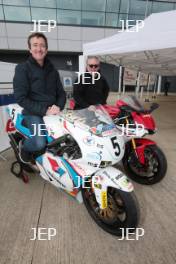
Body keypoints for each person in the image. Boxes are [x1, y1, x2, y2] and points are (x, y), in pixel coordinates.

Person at [13, 32, 66, 163]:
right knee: (39, 142)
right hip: (33, 114)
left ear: (46, 50)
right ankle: (24, 148)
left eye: (42, 45)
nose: (39, 48)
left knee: (68, 138)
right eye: (35, 45)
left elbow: (62, 93)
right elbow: (20, 98)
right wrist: (45, 111)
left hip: (54, 111)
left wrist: (58, 106)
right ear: (30, 49)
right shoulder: (22, 68)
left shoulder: (53, 71)